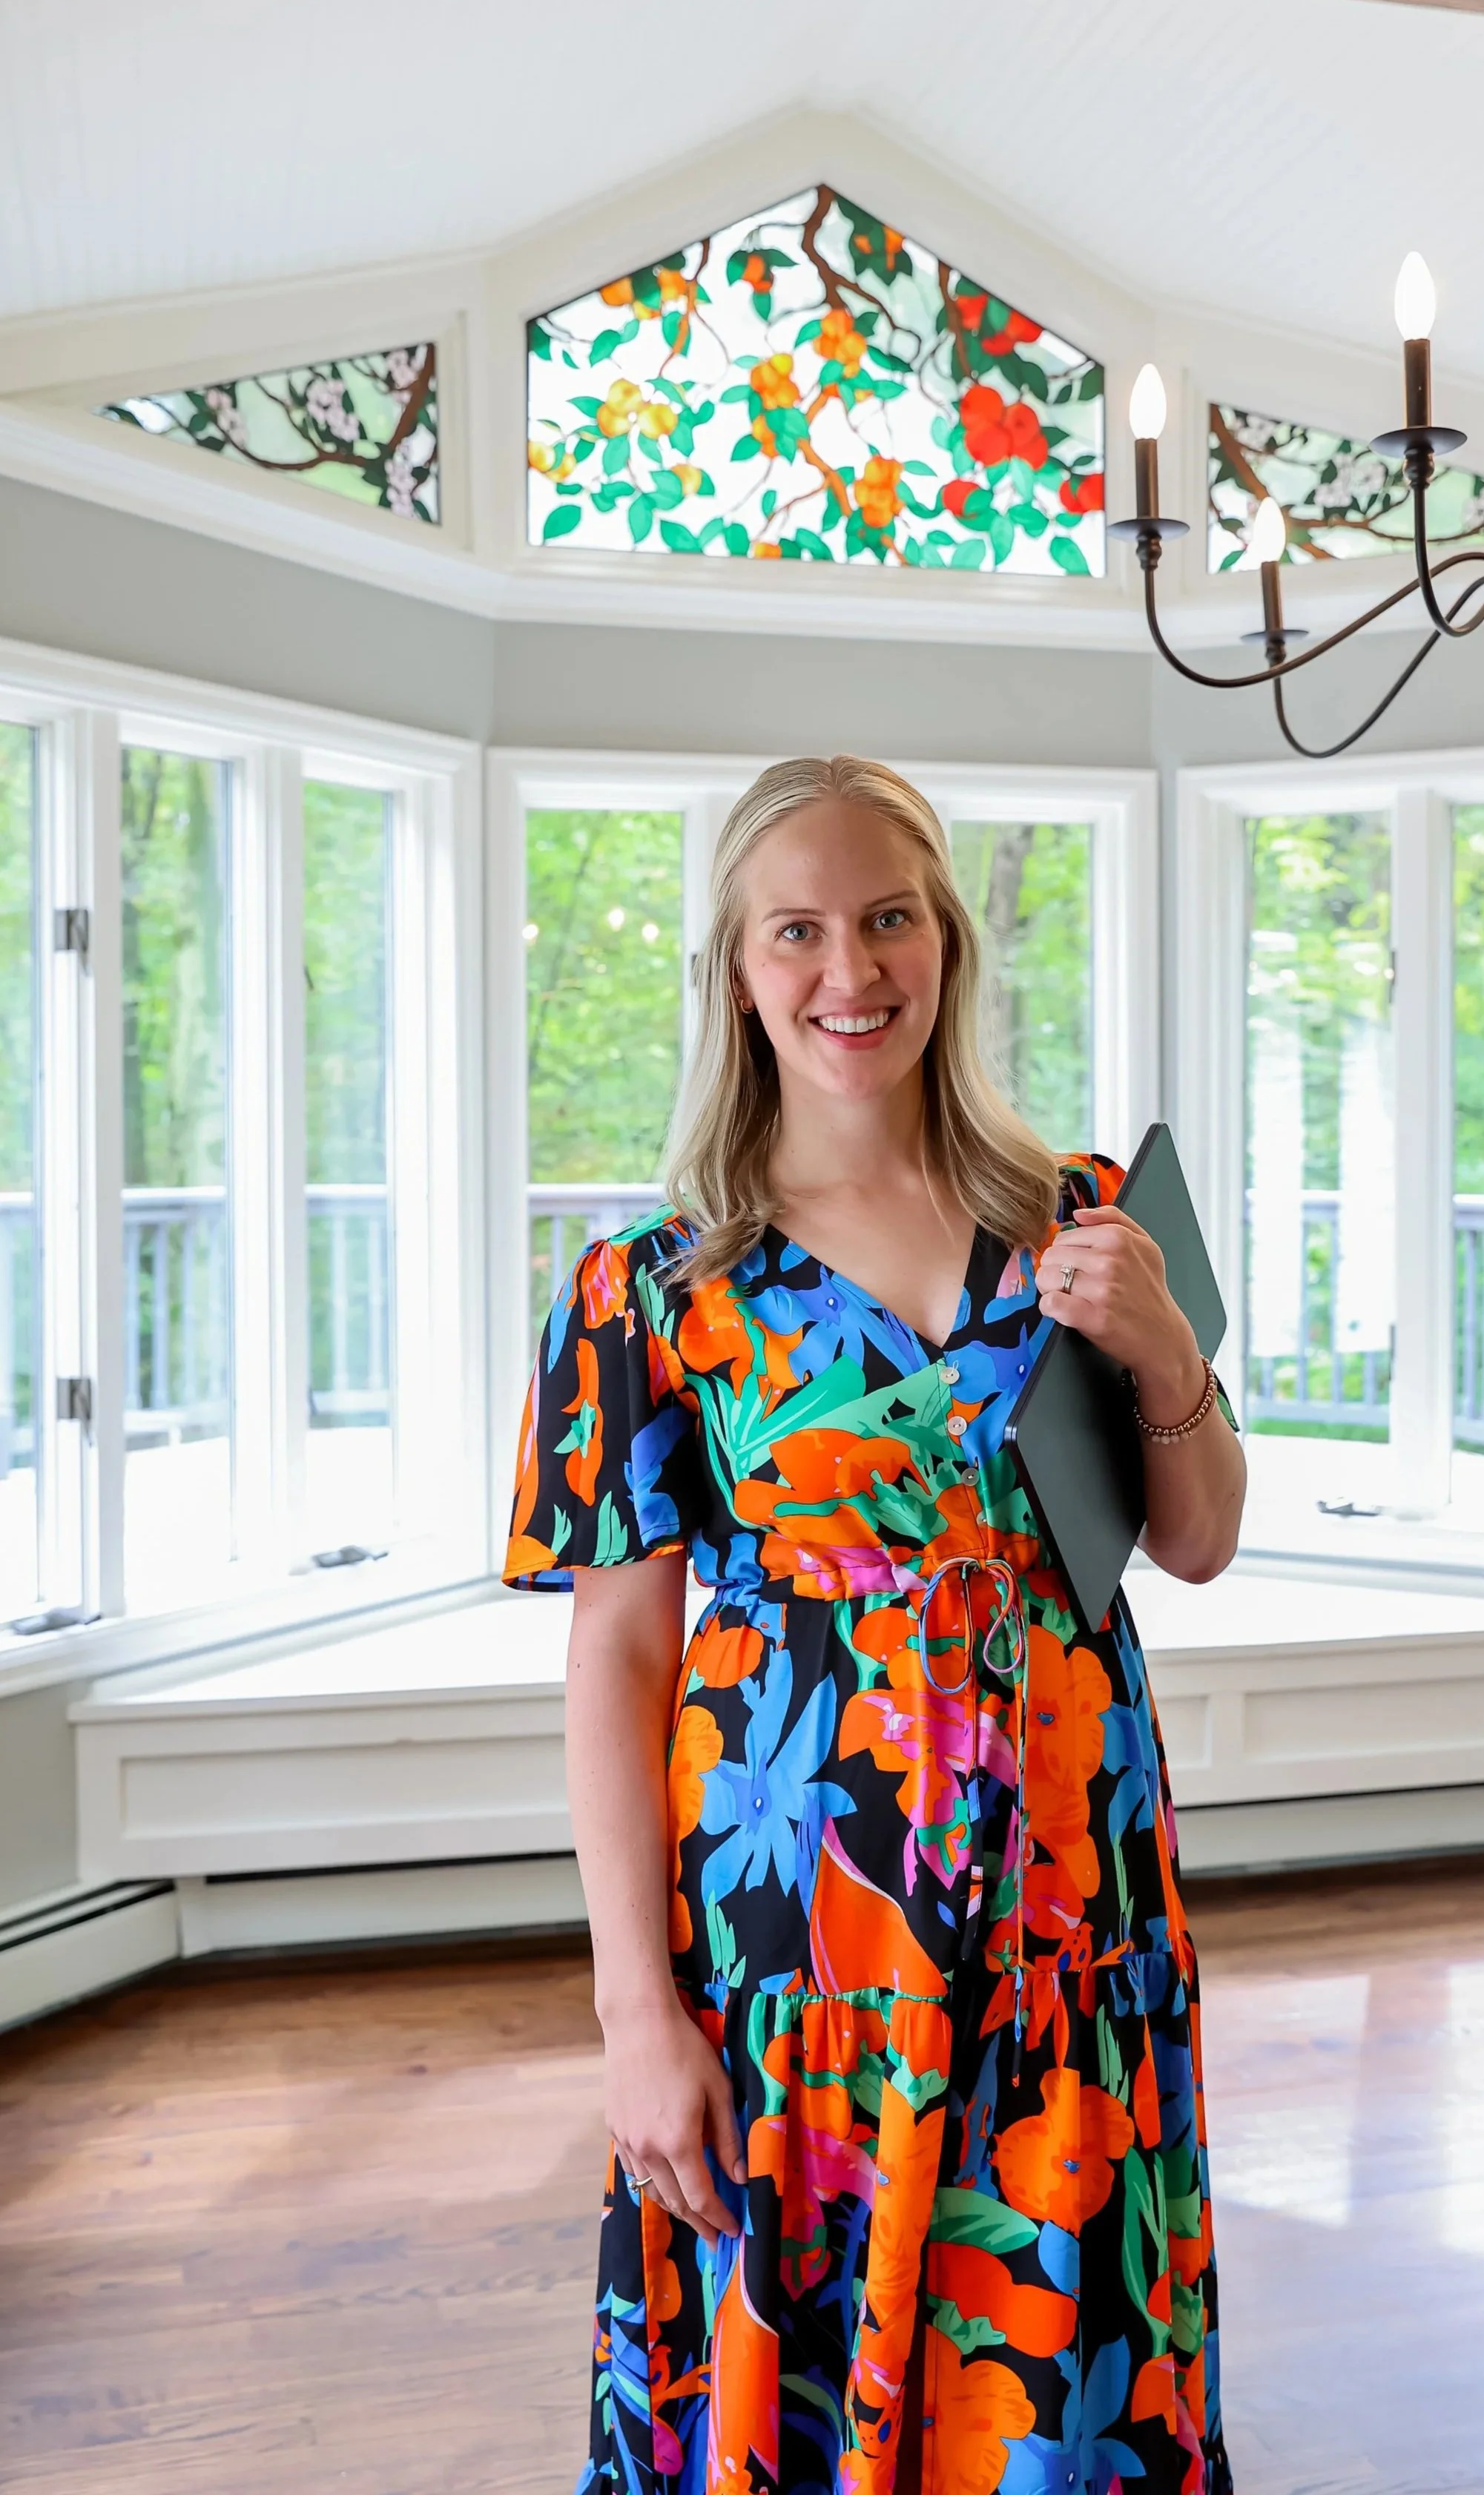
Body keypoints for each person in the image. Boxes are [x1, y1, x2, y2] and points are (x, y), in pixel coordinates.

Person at [503, 755, 1244, 2495]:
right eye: (798, 930)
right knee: (792, 2376)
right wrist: (633, 2013)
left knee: (1055, 2377)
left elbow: (1198, 1539)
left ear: (947, 941)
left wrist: (1162, 1348)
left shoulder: (1086, 1215)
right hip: (797, 1946)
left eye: (888, 917)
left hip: (1069, 1919)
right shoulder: (650, 1287)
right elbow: (618, 1654)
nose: (850, 969)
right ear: (735, 969)